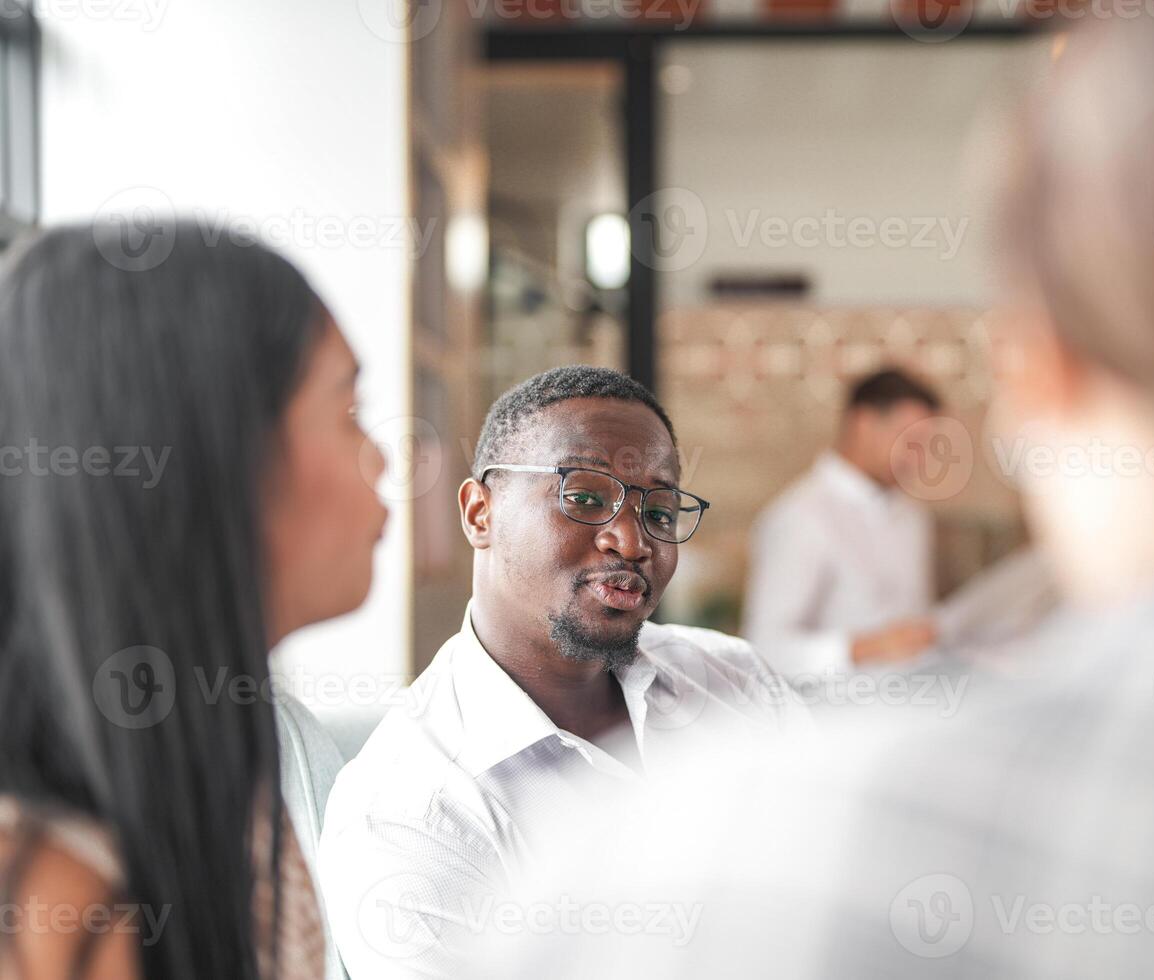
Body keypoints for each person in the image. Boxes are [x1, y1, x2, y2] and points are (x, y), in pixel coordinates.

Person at [498, 2, 1154, 977]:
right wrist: (879, 647)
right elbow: (777, 651)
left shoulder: (695, 870)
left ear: (1040, 369)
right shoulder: (801, 528)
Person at [318, 366, 804, 978]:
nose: (631, 540)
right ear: (479, 513)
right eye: (584, 498)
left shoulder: (735, 681)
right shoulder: (414, 813)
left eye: (658, 511)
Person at [0, 222, 388, 979]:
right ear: (218, 454)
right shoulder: (45, 897)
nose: (381, 456)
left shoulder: (240, 793)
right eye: (347, 412)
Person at [743, 368, 942, 677]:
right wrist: (864, 648)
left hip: (917, 708)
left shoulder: (913, 516)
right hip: (833, 718)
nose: (918, 459)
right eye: (910, 440)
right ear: (863, 424)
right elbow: (764, 649)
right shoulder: (799, 517)